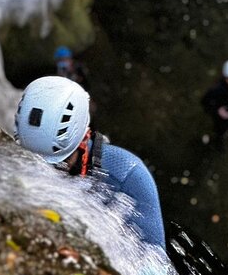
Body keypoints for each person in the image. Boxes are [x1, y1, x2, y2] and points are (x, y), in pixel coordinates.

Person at [14, 76, 164, 248]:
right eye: (36, 159)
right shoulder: (19, 151)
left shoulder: (127, 176)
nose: (50, 170)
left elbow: (155, 265)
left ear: (81, 140)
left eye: (61, 163)